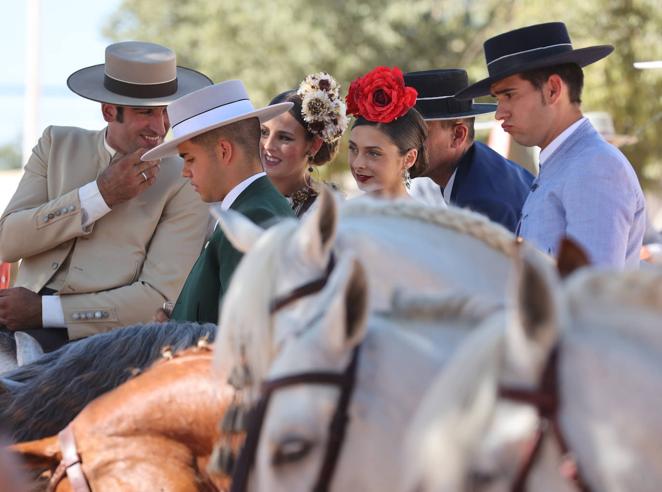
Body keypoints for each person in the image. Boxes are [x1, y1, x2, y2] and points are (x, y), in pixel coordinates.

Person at [0, 41, 212, 351]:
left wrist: (43, 312)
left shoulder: (183, 178)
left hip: (102, 345)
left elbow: (157, 298)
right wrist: (98, 195)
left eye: (166, 112)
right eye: (146, 113)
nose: (161, 126)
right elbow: (7, 241)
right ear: (109, 111)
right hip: (11, 322)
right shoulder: (56, 143)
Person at [456, 22, 646, 268]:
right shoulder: (565, 162)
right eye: (498, 99)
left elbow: (590, 291)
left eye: (509, 95)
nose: (499, 113)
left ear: (553, 90)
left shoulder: (594, 166)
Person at [142, 80, 295, 324]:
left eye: (189, 158)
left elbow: (241, 339)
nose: (185, 172)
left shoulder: (252, 218)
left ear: (224, 151)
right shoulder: (253, 208)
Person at [404, 69, 533, 232]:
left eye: (418, 132)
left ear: (458, 135)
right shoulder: (476, 165)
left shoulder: (484, 205)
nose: (400, 142)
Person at [261, 72, 348, 217]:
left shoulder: (328, 211)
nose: (268, 145)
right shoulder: (238, 192)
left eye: (284, 138)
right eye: (264, 132)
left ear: (314, 146)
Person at [345, 66, 429, 199]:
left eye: (373, 153)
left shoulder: (424, 219)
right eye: (353, 149)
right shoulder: (339, 215)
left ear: (409, 159)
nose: (357, 164)